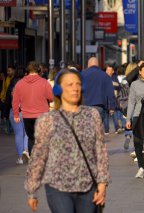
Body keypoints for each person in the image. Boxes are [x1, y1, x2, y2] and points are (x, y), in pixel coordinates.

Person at [25, 68, 110, 212]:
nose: (75, 88)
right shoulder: (47, 120)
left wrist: (102, 183)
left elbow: (100, 152)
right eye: (70, 85)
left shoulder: (92, 115)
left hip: (87, 185)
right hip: (57, 186)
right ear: (58, 89)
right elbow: (39, 156)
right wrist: (32, 189)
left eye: (78, 84)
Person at [12, 61, 53, 154]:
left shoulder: (20, 83)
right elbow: (51, 98)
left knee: (31, 138)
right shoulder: (44, 82)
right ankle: (42, 159)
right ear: (39, 70)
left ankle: (32, 159)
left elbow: (15, 101)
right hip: (42, 115)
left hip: (27, 116)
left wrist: (16, 115)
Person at [125, 63, 144, 178]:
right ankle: (141, 168)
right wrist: (128, 118)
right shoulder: (134, 84)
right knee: (138, 143)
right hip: (138, 116)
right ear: (140, 72)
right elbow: (131, 102)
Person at [81, 57, 116, 135]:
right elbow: (110, 93)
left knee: (85, 128)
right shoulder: (105, 76)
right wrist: (112, 107)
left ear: (88, 64)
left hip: (84, 106)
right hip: (99, 107)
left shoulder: (82, 74)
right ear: (98, 64)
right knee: (97, 129)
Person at [4, 66, 29, 164]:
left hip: (14, 111)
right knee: (26, 133)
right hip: (27, 111)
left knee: (18, 134)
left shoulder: (12, 84)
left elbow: (7, 100)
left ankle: (20, 158)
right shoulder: (27, 84)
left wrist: (5, 113)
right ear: (25, 74)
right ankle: (26, 150)